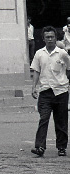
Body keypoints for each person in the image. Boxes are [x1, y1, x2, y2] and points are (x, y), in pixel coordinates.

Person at [30, 26, 70, 157]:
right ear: (43, 39)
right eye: (47, 37)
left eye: (52, 37)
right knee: (44, 119)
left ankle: (62, 147)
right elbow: (36, 70)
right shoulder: (39, 54)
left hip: (61, 91)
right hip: (45, 91)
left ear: (56, 38)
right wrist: (34, 87)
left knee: (61, 120)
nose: (50, 39)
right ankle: (40, 146)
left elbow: (69, 69)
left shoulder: (62, 53)